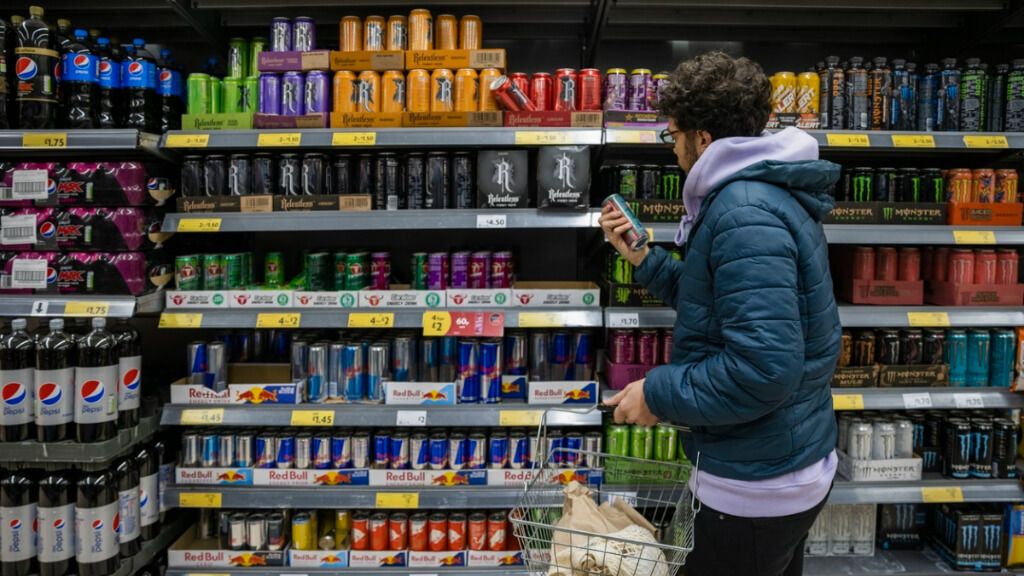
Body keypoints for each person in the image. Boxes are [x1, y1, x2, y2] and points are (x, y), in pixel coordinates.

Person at [600, 52, 842, 576]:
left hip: (759, 485)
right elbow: (723, 304)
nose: (674, 151)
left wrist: (657, 394)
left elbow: (763, 369)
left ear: (703, 139)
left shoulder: (743, 211)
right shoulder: (755, 195)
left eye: (674, 137)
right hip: (774, 462)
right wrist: (645, 260)